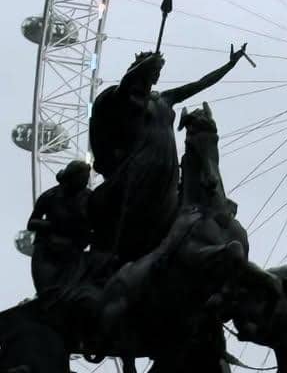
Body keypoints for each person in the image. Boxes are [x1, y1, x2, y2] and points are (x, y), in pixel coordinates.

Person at [88, 43, 249, 265]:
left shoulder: (165, 98)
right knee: (126, 202)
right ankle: (112, 252)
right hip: (143, 163)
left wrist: (229, 65)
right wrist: (145, 64)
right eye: (154, 72)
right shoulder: (127, 99)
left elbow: (201, 83)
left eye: (158, 73)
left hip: (168, 166)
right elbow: (126, 84)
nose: (156, 76)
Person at [26, 160, 91, 295]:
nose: (85, 182)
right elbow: (31, 223)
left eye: (86, 179)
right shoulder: (50, 196)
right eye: (82, 179)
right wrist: (54, 226)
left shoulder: (89, 198)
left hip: (73, 253)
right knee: (48, 293)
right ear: (72, 177)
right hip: (48, 252)